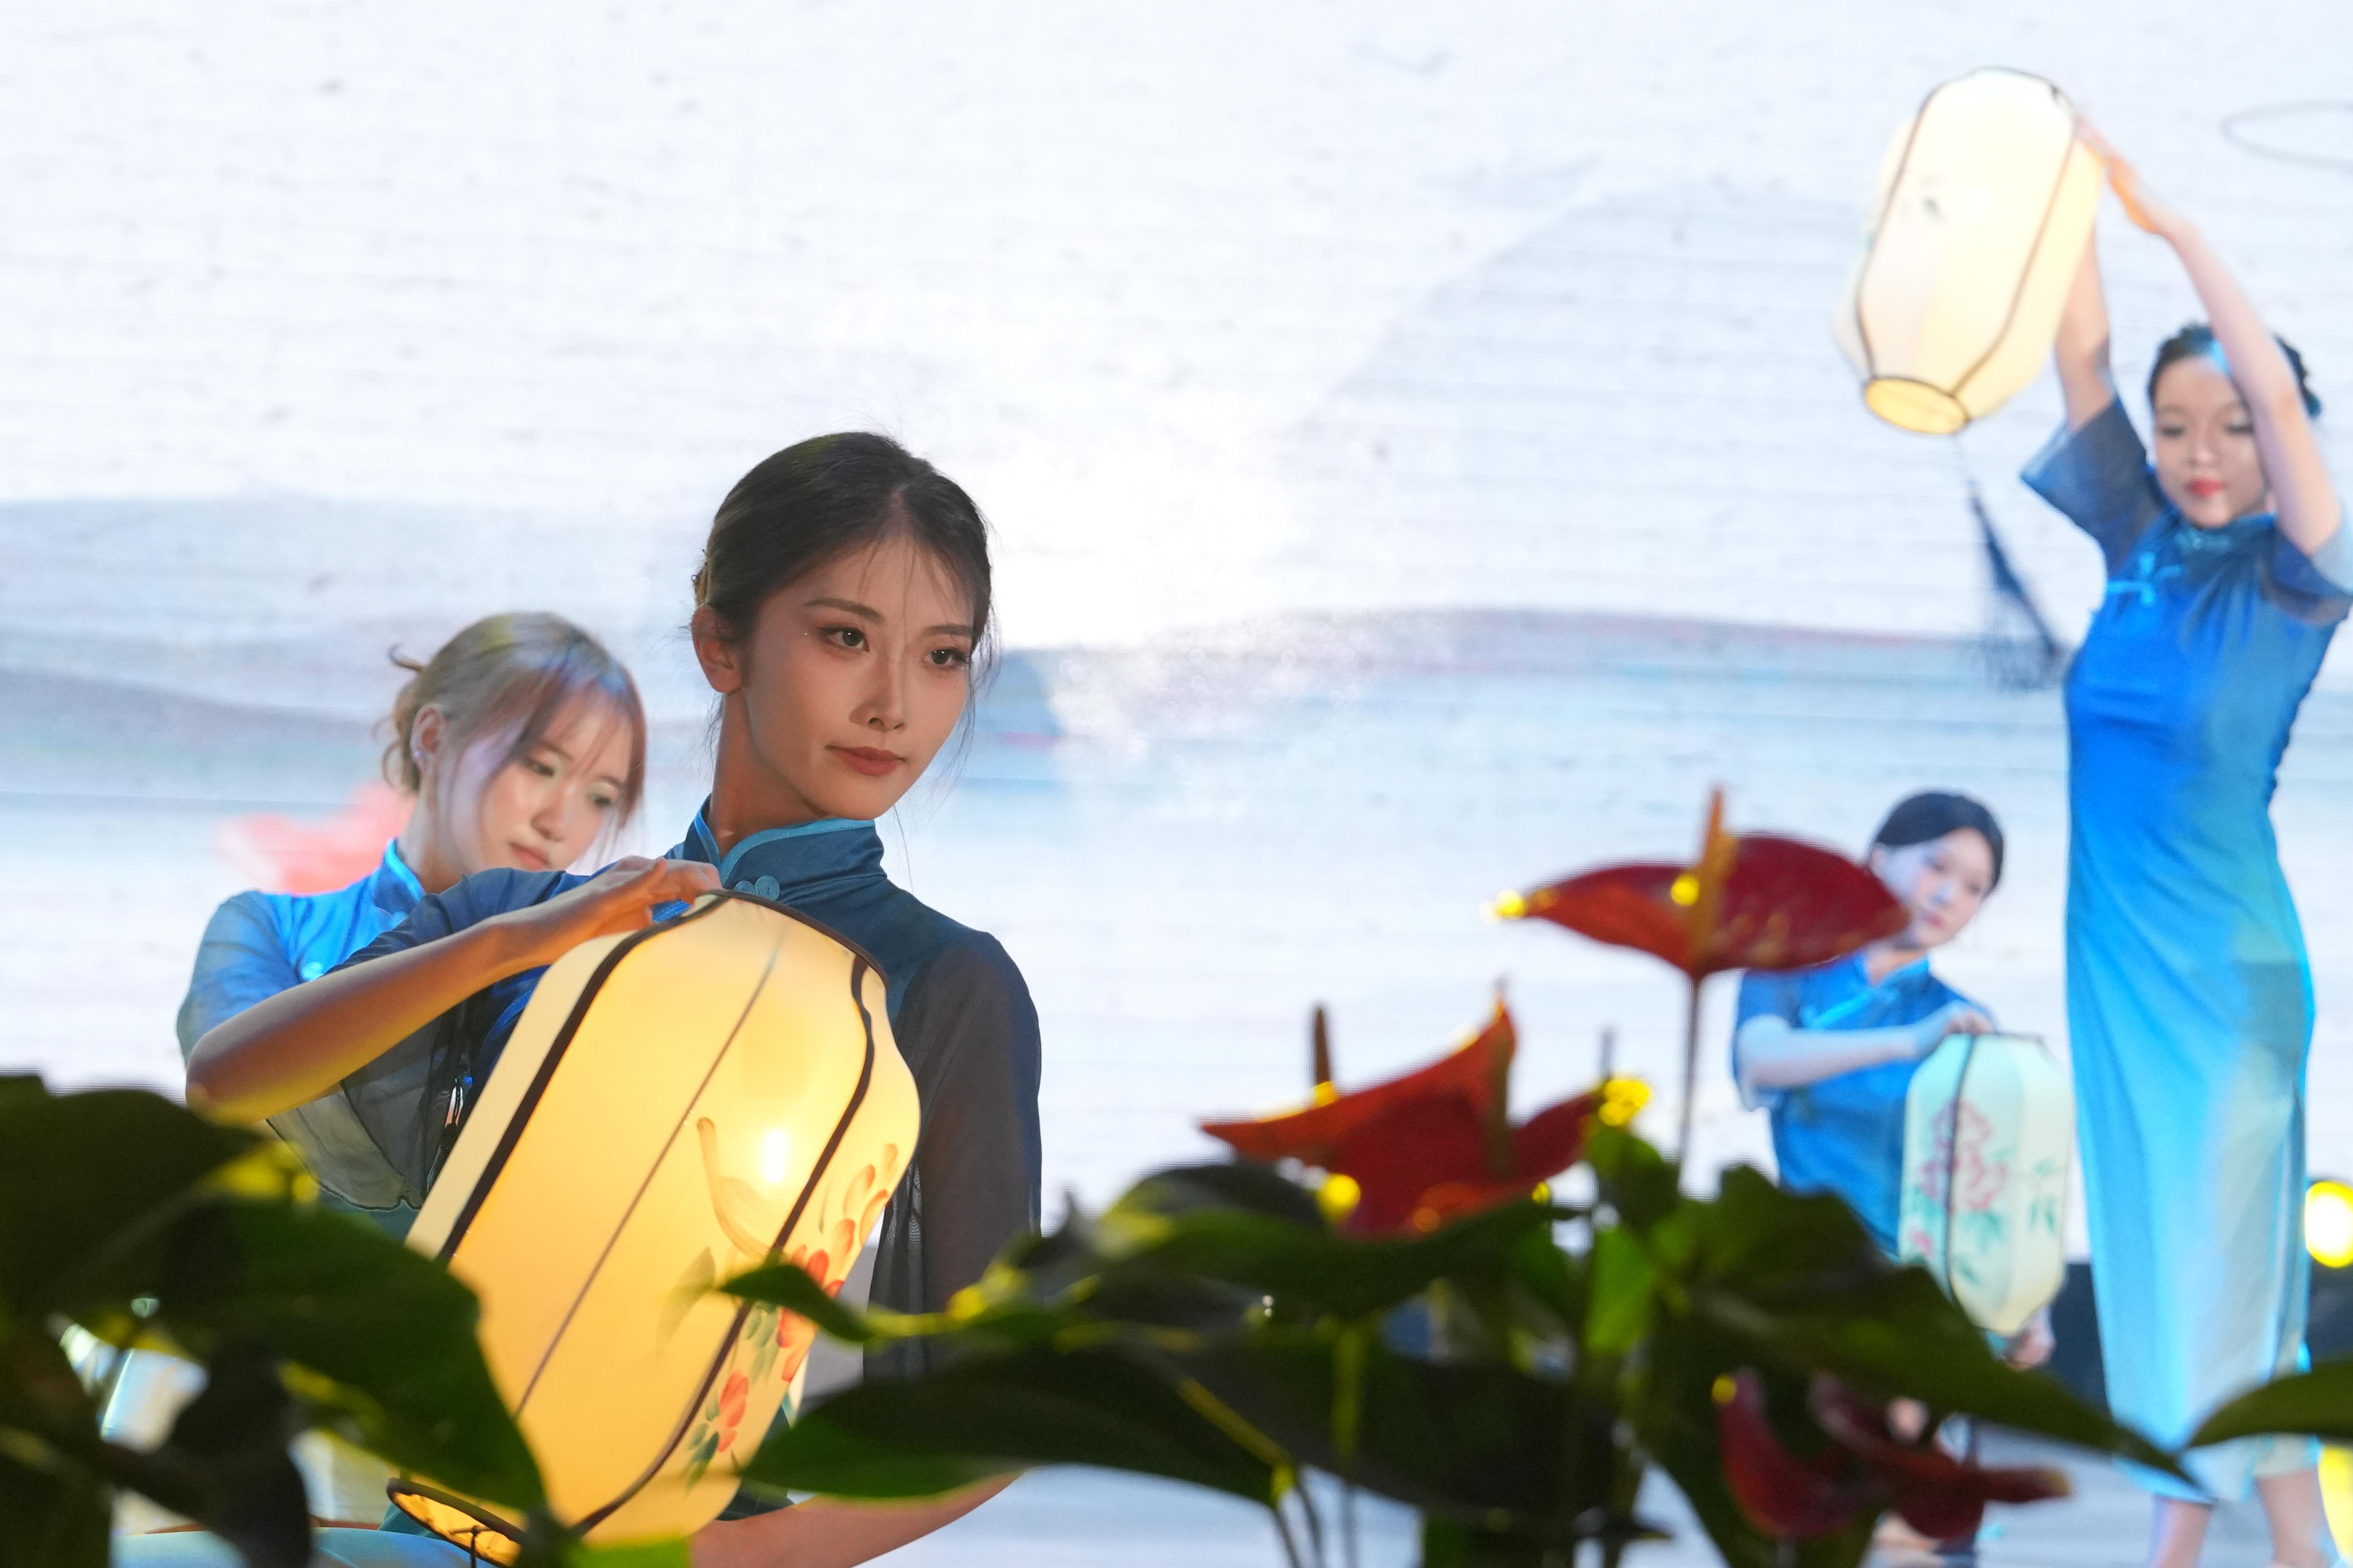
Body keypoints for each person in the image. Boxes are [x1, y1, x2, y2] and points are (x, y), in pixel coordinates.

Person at [160, 433, 1039, 1568]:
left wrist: (706, 1560)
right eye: (844, 637)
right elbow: (228, 1081)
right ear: (720, 643)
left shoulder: (946, 983)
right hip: (431, 1526)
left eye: (942, 656)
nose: (893, 705)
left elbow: (993, 1414)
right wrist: (512, 940)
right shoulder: (528, 916)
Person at [2026, 124, 2346, 1568]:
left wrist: (2171, 228)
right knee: (2177, 1266)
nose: (2199, 453)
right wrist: (2055, 201)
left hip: (2221, 978)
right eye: (2173, 427)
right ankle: (2299, 1551)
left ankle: (2166, 1548)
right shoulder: (2133, 543)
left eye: (2227, 427)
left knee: (2210, 1268)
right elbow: (2078, 355)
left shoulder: (2297, 573)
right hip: (2114, 961)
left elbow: (2272, 392)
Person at [176, 611, 648, 1237]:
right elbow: (223, 1090)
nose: (559, 821)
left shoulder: (594, 973)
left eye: (600, 797)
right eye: (539, 766)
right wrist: (503, 942)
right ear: (431, 737)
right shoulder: (269, 927)